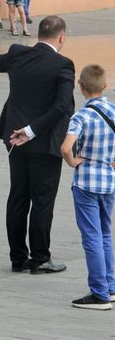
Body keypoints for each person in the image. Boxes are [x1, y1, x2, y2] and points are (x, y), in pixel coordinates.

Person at [0, 15, 75, 274]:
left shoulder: (18, 53)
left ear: (39, 34)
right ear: (61, 37)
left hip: (14, 139)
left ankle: (18, 258)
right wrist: (32, 130)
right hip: (43, 142)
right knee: (42, 201)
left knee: (18, 197)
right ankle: (40, 258)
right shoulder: (63, 65)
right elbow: (63, 105)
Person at [60, 64, 115, 310]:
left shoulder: (81, 116)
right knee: (105, 234)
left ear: (80, 87)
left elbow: (65, 147)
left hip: (86, 182)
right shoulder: (113, 111)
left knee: (91, 236)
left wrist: (73, 161)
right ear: (105, 86)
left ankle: (99, 293)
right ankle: (110, 287)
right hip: (109, 181)